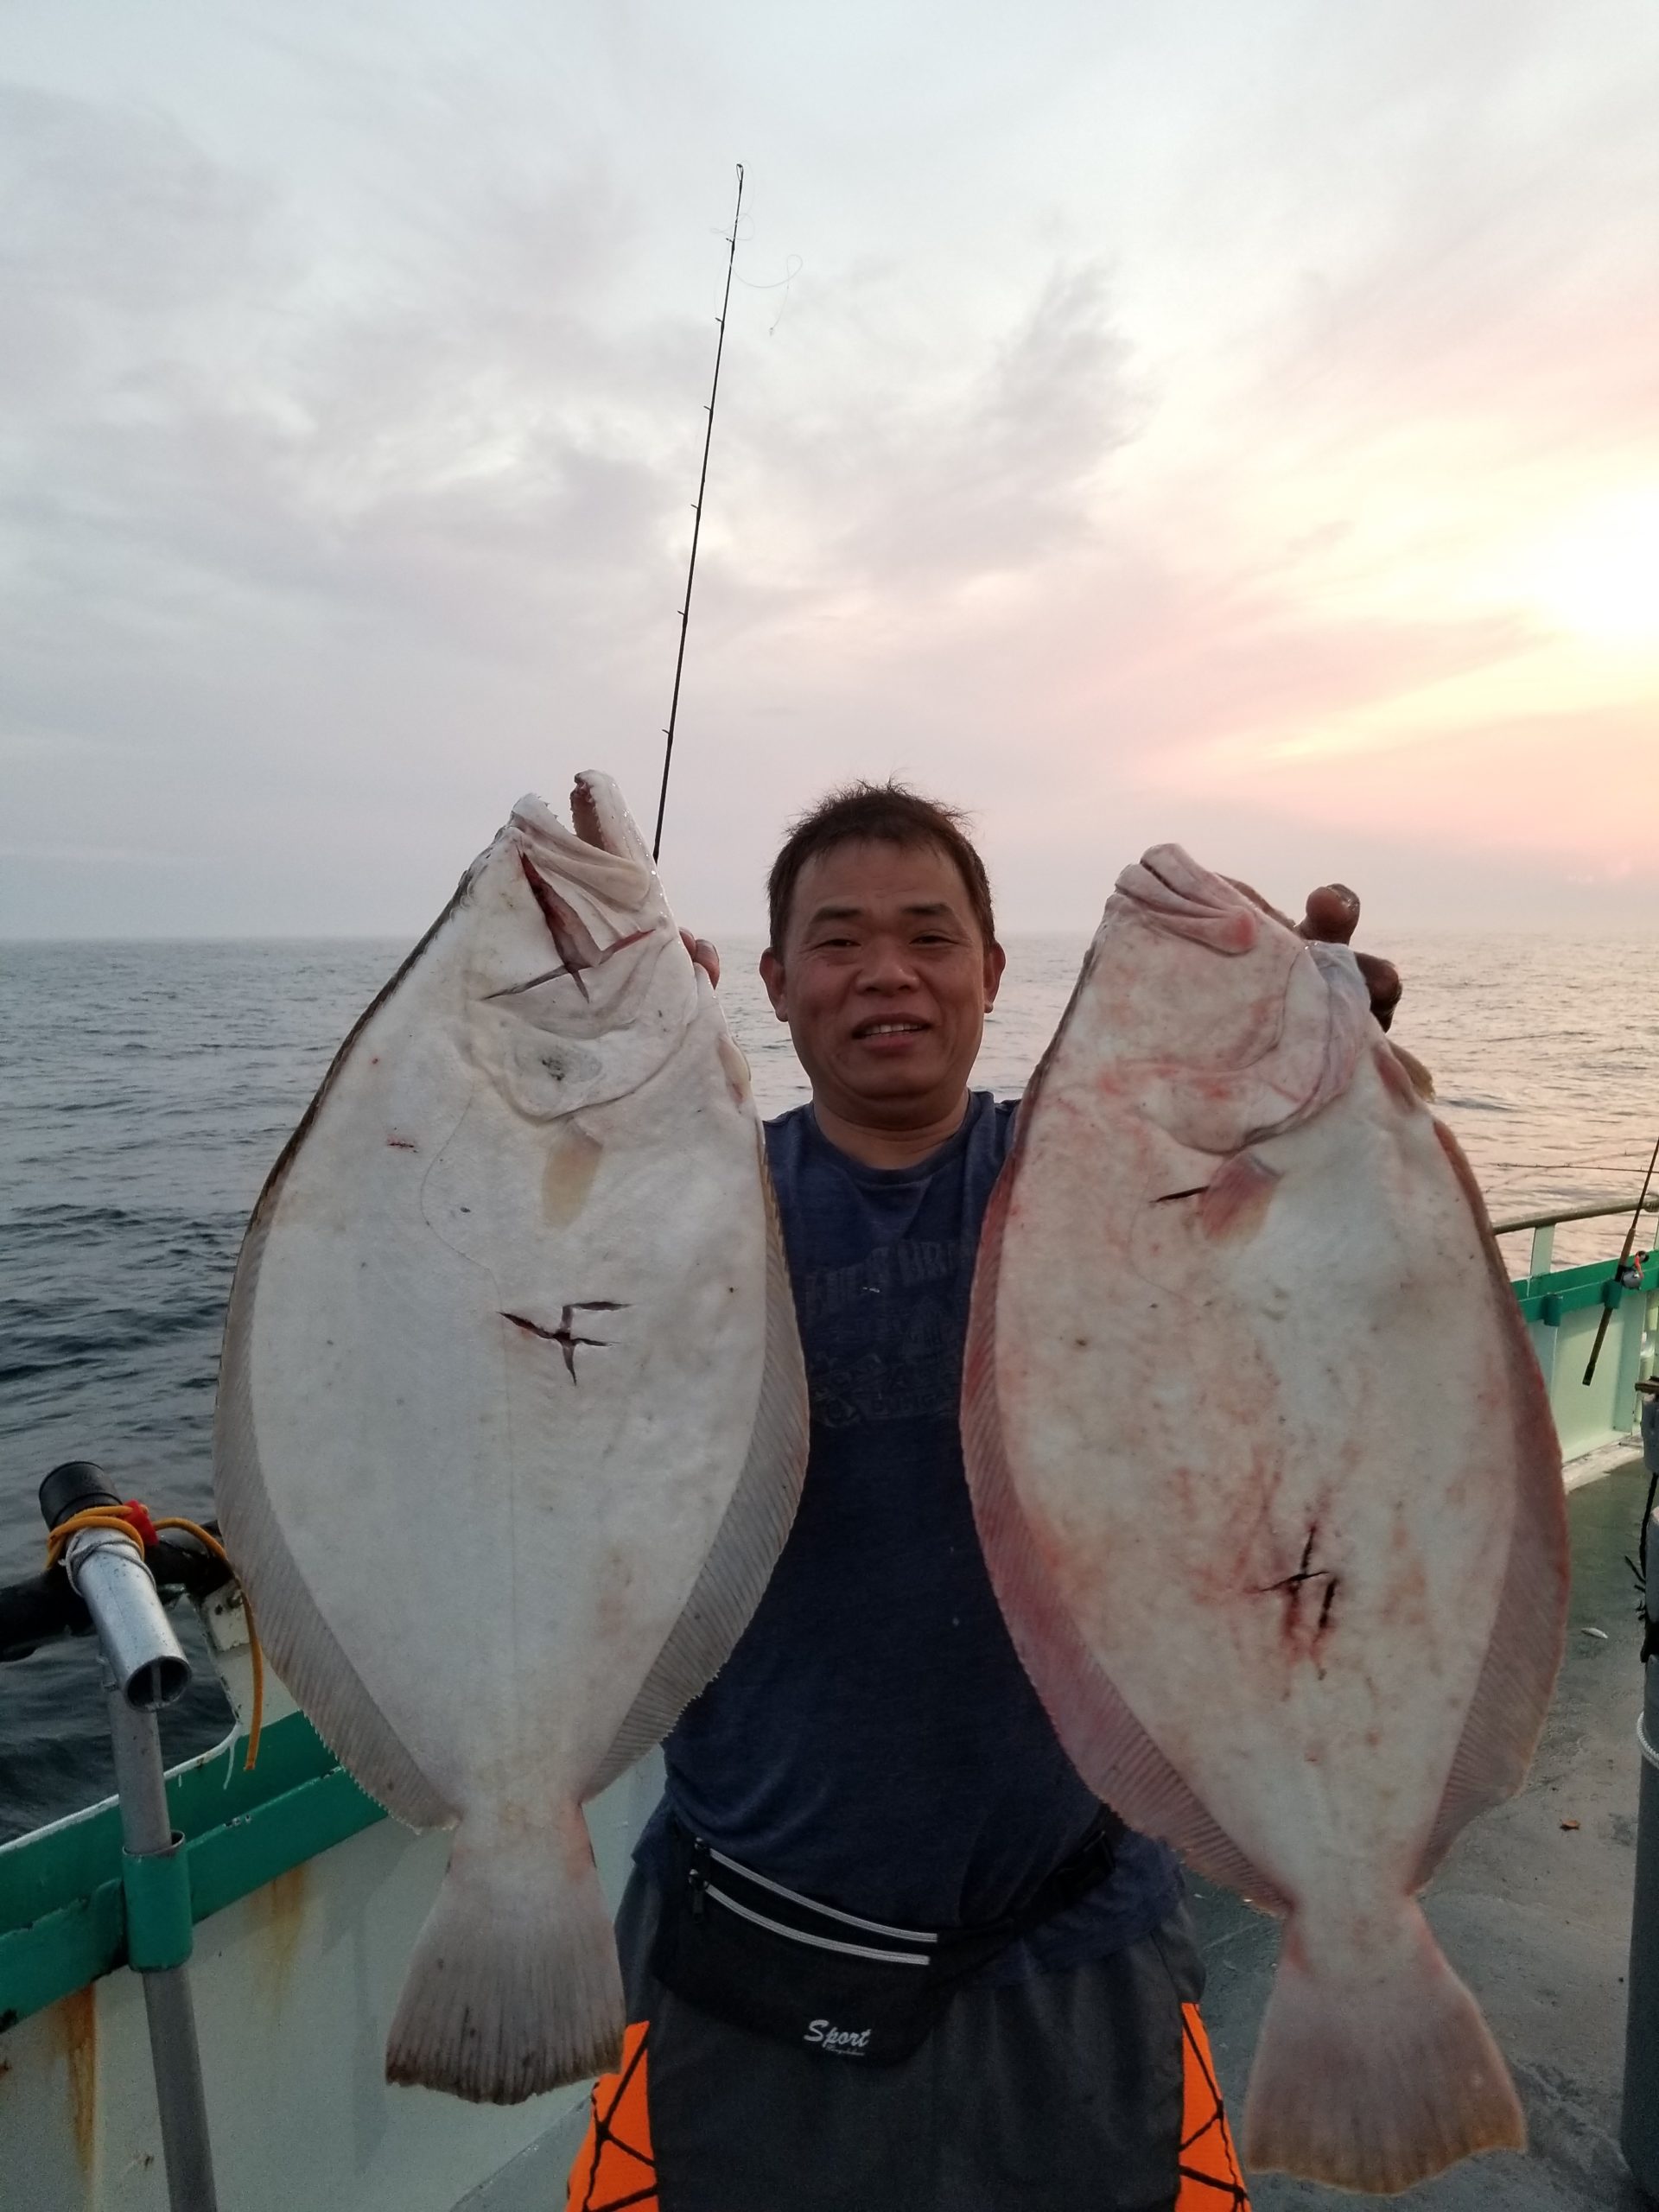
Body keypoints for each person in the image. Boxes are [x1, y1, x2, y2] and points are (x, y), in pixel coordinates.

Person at [566, 783, 1402, 2212]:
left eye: (929, 936)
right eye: (838, 941)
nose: (886, 972)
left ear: (995, 972)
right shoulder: (693, 1214)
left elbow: (1317, 1299)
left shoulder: (1115, 1185)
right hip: (750, 1950)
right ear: (773, 981)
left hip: (1076, 1943)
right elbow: (529, 1349)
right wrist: (611, 1076)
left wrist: (1314, 1088)